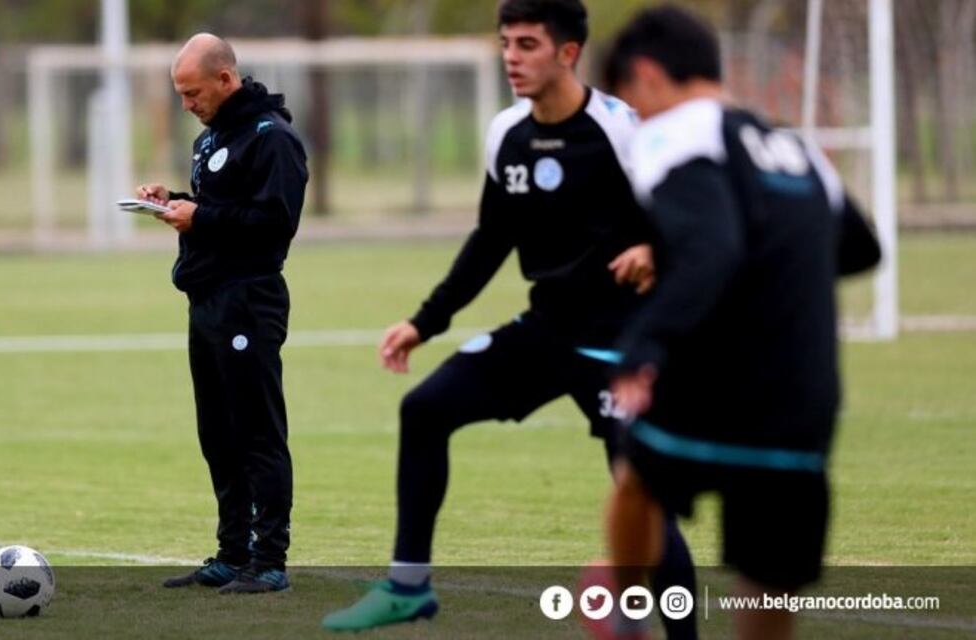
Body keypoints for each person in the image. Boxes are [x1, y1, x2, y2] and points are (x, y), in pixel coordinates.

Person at [323, 1, 697, 635]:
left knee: (639, 497)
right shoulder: (508, 134)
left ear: (568, 53)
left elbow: (693, 211)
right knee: (425, 409)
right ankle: (408, 586)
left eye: (527, 44)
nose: (511, 58)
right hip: (545, 332)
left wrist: (655, 250)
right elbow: (490, 241)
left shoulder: (623, 129)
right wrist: (425, 322)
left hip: (619, 345)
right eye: (505, 44)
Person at [600, 6, 882, 639]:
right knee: (764, 585)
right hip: (802, 402)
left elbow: (712, 248)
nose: (637, 119)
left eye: (633, 103)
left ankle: (626, 610)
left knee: (635, 467)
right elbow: (861, 248)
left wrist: (643, 343)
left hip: (714, 384)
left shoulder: (674, 132)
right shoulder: (795, 146)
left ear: (646, 76)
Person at [137, 33, 308, 594]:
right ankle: (231, 553)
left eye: (192, 93)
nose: (187, 105)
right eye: (181, 95)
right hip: (207, 299)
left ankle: (270, 560)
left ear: (226, 80)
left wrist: (202, 218)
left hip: (249, 301)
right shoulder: (213, 138)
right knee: (217, 431)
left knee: (257, 429)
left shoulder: (273, 138)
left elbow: (274, 222)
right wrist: (175, 201)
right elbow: (221, 206)